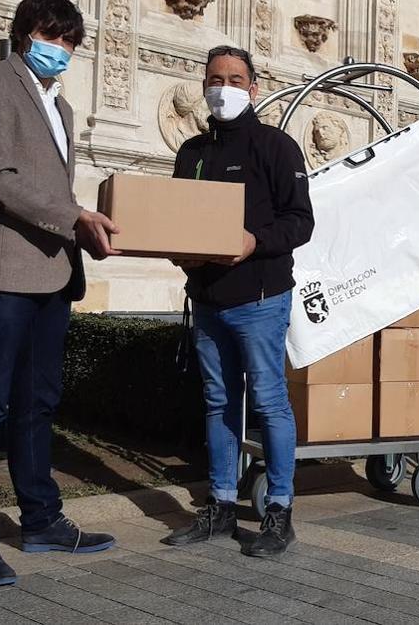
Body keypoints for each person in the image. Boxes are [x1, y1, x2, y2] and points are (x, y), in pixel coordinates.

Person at [0, 0, 120, 587]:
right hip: (5, 270)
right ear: (26, 33)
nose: (62, 51)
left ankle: (42, 520)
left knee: (38, 403)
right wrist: (72, 216)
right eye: (53, 38)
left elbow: (53, 188)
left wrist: (85, 225)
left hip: (53, 270)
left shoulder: (63, 109)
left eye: (70, 42)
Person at [165, 45, 314, 558]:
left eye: (234, 79)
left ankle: (279, 511)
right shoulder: (192, 153)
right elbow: (177, 221)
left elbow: (301, 221)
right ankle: (222, 507)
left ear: (253, 88)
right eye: (214, 78)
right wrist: (178, 255)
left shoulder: (277, 148)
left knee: (270, 402)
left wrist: (254, 242)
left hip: (259, 298)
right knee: (218, 403)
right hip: (207, 299)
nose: (222, 87)